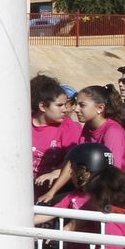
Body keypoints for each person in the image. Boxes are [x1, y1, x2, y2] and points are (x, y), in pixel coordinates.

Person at [33, 74, 84, 202]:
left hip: (50, 197)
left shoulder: (69, 127)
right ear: (43, 106)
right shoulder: (20, 122)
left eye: (66, 105)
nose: (65, 110)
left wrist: (56, 172)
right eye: (59, 105)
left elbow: (75, 161)